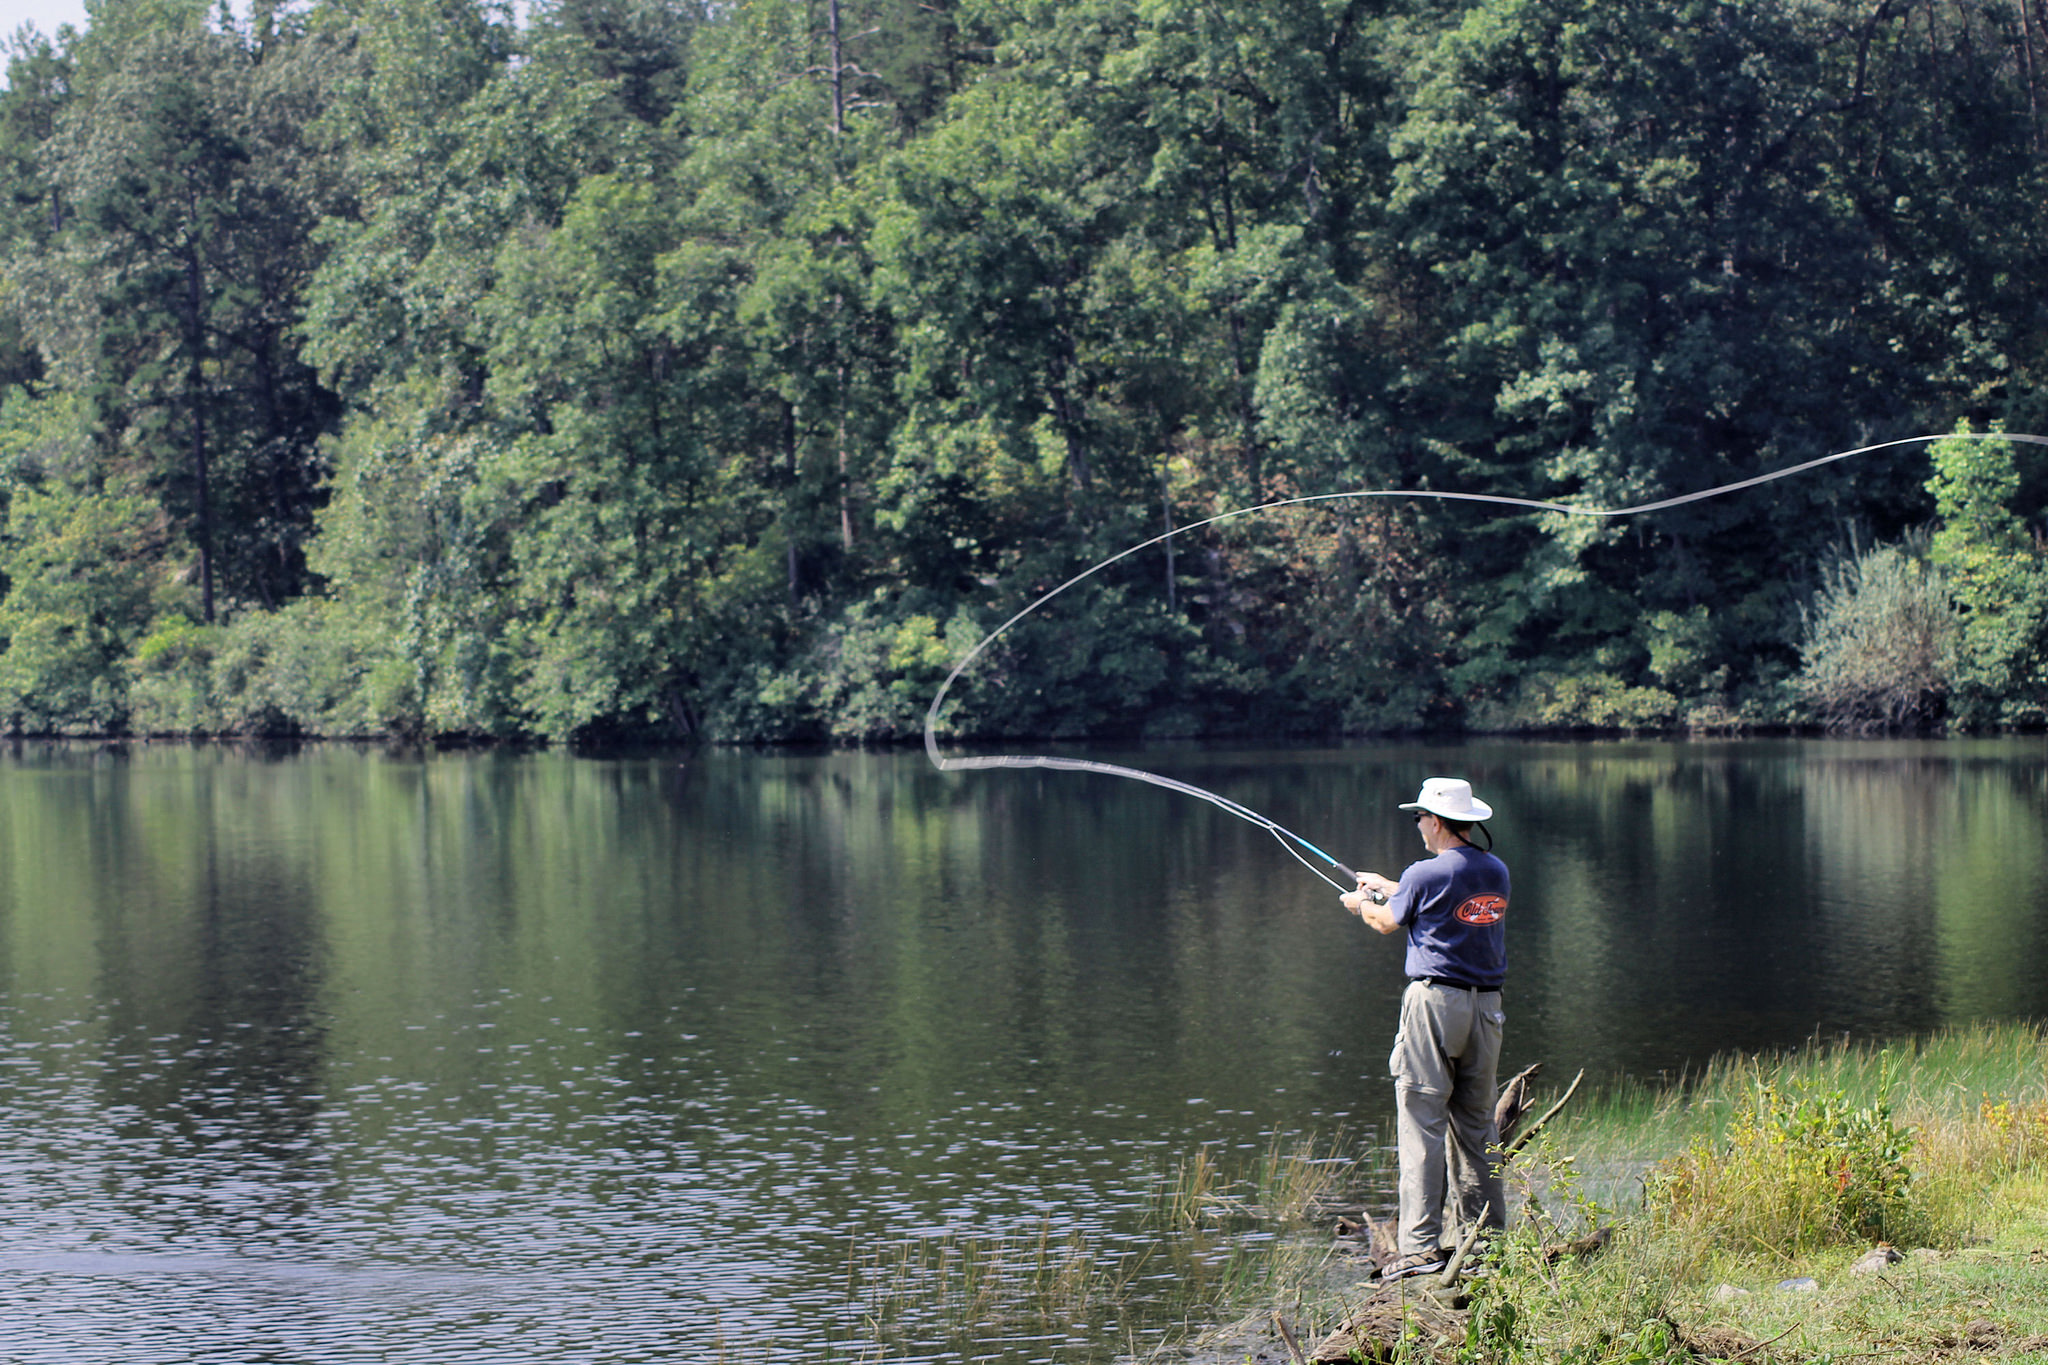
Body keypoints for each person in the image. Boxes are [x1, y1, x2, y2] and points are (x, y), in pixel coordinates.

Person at [1341, 776, 1509, 1282]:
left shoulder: (1424, 873)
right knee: (1479, 1127)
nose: (1417, 824)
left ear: (1434, 821)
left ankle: (1418, 1250)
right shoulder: (1494, 870)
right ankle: (1488, 1246)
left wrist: (1361, 904)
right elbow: (1436, 896)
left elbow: (1388, 923)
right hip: (1487, 1011)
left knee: (1421, 1124)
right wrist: (1390, 887)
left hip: (1435, 1005)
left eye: (1419, 817)